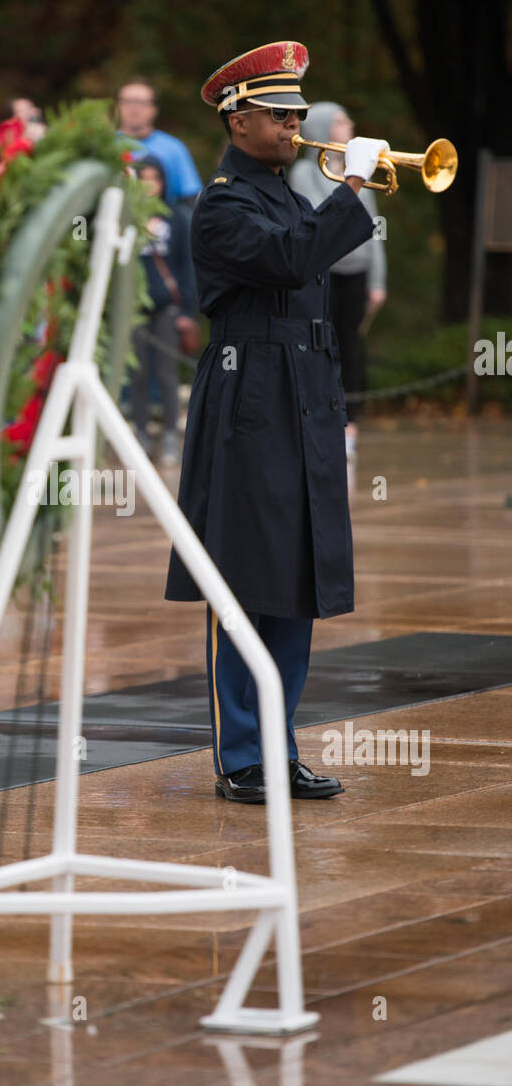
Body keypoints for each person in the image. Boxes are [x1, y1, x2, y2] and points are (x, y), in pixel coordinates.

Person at [163, 41, 390, 804]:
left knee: (296, 581)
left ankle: (279, 743)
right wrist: (352, 185)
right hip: (251, 400)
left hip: (302, 396)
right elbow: (293, 260)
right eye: (279, 112)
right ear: (237, 120)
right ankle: (242, 754)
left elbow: (307, 251)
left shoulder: (285, 194)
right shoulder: (224, 202)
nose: (295, 123)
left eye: (298, 112)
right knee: (248, 583)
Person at [289, 102, 387, 466]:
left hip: (356, 273)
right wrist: (351, 183)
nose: (349, 125)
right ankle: (321, 417)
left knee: (352, 349)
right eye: (341, 121)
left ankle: (352, 425)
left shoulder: (362, 172)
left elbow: (374, 228)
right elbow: (320, 218)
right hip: (324, 270)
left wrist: (377, 280)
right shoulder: (304, 172)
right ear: (325, 127)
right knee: (321, 345)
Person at [129, 154, 198, 465]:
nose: (148, 185)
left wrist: (188, 312)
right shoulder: (126, 219)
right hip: (135, 307)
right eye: (143, 178)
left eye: (154, 179)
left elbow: (187, 268)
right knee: (138, 374)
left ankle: (171, 434)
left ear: (163, 183)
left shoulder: (176, 219)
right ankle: (140, 434)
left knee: (167, 374)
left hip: (168, 308)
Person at [115, 78, 202, 207]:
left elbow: (191, 200)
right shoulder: (104, 145)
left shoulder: (174, 148)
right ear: (117, 106)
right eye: (127, 101)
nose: (133, 109)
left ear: (154, 109)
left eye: (140, 102)